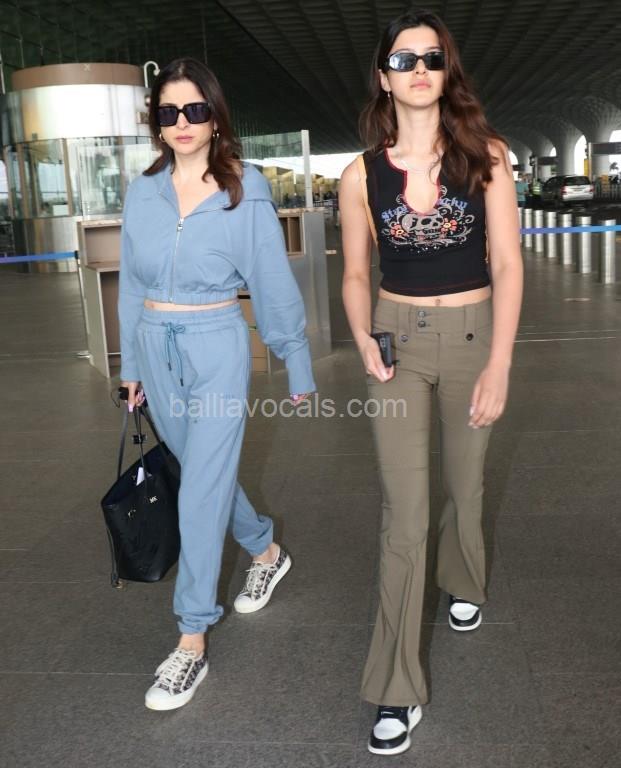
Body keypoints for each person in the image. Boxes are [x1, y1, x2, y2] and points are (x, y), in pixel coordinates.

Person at [340, 9, 522, 756]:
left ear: (447, 73)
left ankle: (464, 579)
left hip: (475, 337)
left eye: (431, 58)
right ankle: (394, 686)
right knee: (404, 513)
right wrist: (360, 334)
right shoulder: (360, 174)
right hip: (397, 343)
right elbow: (356, 272)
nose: (418, 69)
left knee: (466, 482)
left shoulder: (487, 156)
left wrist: (500, 363)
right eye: (403, 59)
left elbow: (507, 263)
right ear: (384, 77)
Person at [118, 57, 315, 711]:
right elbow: (133, 284)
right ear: (156, 122)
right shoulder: (142, 191)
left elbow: (269, 275)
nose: (182, 122)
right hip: (156, 344)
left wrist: (294, 357)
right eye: (169, 111)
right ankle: (264, 549)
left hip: (218, 346)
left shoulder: (244, 187)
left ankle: (190, 638)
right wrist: (130, 366)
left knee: (199, 489)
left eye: (195, 109)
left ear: (215, 118)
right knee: (205, 472)